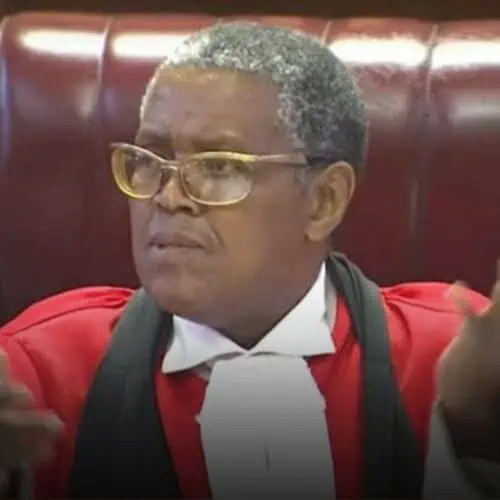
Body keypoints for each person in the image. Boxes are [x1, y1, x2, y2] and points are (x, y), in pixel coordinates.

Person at [0, 21, 500, 500]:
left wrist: (475, 446)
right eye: (149, 161)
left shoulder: (453, 361)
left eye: (219, 167)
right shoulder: (43, 366)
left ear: (324, 201)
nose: (168, 197)